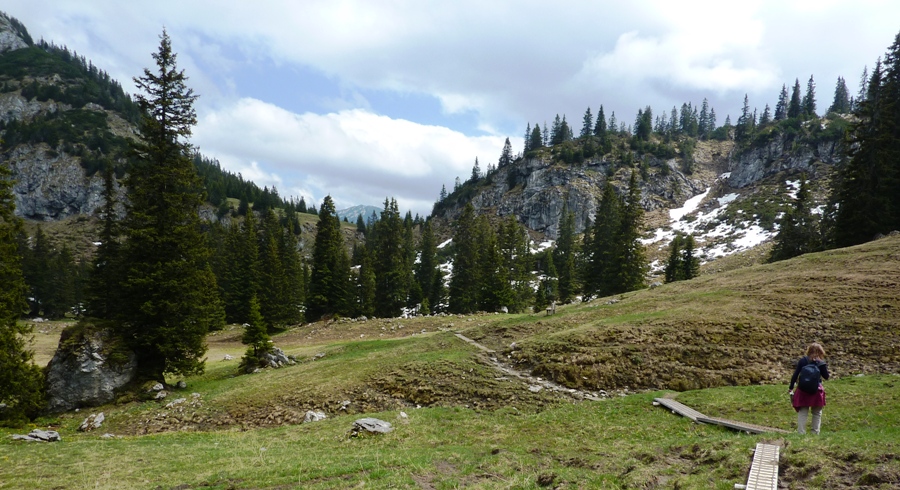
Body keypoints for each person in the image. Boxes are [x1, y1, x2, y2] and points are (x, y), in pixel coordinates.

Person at [788, 342, 830, 434]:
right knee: (816, 413)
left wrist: (791, 387)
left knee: (803, 412)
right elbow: (826, 376)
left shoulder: (803, 360)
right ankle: (815, 432)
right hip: (816, 390)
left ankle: (801, 432)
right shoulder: (821, 363)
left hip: (802, 389)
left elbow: (795, 375)